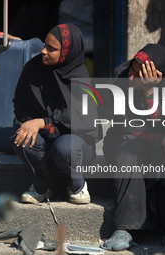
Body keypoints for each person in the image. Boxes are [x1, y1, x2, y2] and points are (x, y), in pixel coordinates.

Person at [101, 44, 165, 253]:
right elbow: (124, 123)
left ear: (158, 74)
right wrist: (161, 140)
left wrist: (150, 92)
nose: (132, 77)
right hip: (125, 133)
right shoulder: (121, 75)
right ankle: (124, 228)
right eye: (132, 70)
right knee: (128, 151)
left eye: (139, 74)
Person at [10, 24, 101, 204]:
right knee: (23, 138)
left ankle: (77, 185)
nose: (43, 51)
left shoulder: (79, 76)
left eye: (51, 49)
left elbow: (81, 121)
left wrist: (43, 122)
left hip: (76, 142)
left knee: (66, 147)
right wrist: (30, 123)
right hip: (46, 138)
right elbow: (21, 105)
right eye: (45, 45)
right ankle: (43, 186)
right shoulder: (33, 68)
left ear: (67, 52)